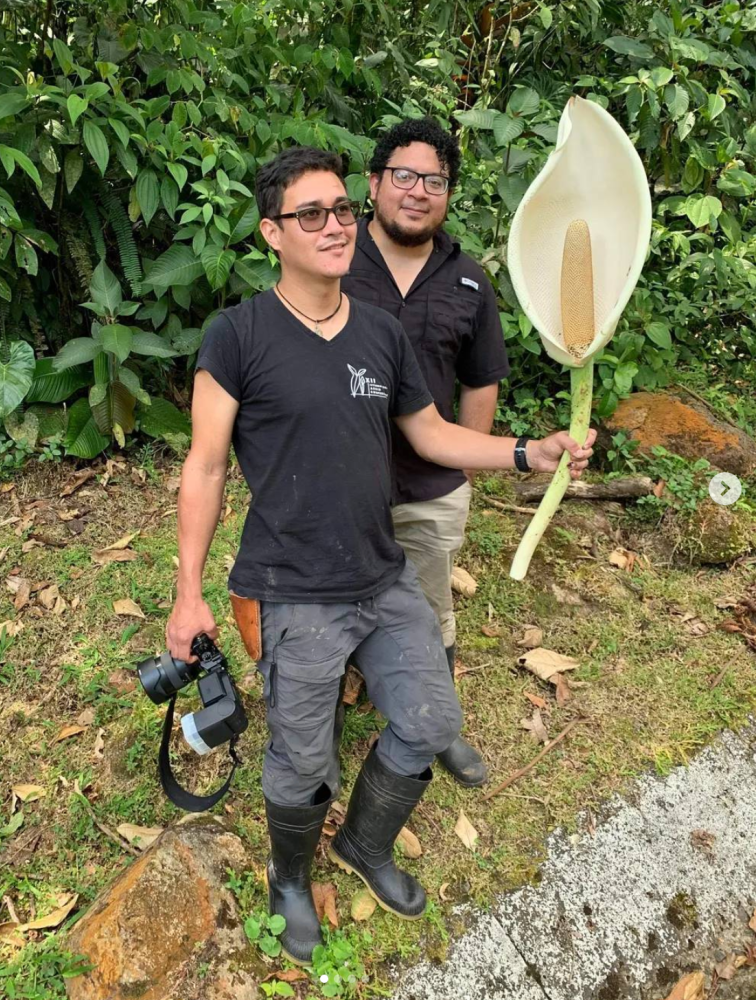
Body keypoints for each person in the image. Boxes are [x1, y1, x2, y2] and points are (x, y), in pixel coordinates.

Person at [166, 146, 594, 966]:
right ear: (271, 234)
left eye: (340, 211)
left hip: (380, 571)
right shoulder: (238, 335)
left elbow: (429, 432)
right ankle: (288, 877)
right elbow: (205, 466)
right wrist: (189, 595)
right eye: (311, 215)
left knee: (431, 718)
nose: (334, 226)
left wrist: (523, 454)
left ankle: (364, 844)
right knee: (300, 758)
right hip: (293, 586)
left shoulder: (378, 332)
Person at [341, 117, 509, 788]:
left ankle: (438, 725)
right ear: (374, 184)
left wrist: (461, 466)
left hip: (427, 488)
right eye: (403, 176)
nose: (417, 191)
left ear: (447, 194)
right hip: (339, 487)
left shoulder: (468, 283)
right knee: (326, 609)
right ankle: (321, 713)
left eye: (433, 180)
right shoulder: (331, 254)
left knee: (429, 609)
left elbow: (481, 379)